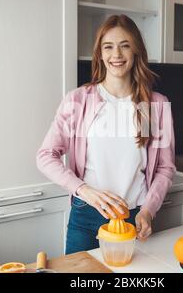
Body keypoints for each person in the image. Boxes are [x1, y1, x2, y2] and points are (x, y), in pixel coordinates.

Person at [36, 14, 175, 255]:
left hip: (134, 218)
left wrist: (148, 211)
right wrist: (83, 190)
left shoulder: (153, 105)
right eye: (108, 47)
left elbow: (165, 168)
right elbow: (46, 156)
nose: (116, 55)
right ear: (100, 53)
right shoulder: (79, 101)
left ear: (136, 52)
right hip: (86, 217)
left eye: (125, 46)